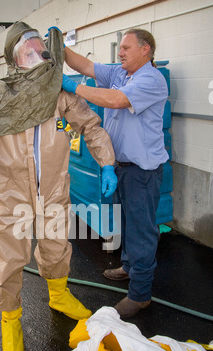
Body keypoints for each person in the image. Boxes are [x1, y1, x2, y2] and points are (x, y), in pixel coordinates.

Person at [0, 22, 117, 351]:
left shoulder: (59, 92)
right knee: (8, 258)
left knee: (56, 245)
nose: (36, 55)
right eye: (27, 50)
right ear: (14, 59)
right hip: (9, 193)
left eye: (39, 47)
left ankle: (59, 295)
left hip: (52, 189)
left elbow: (90, 126)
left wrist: (107, 162)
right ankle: (11, 319)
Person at [62, 28, 169, 318]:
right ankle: (129, 267)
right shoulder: (119, 72)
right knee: (126, 223)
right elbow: (83, 65)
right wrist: (56, 46)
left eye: (125, 47)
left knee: (142, 231)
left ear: (145, 50)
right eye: (120, 48)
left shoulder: (151, 80)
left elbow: (115, 100)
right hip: (120, 168)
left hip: (142, 172)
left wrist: (74, 88)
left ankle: (140, 294)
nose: (119, 52)